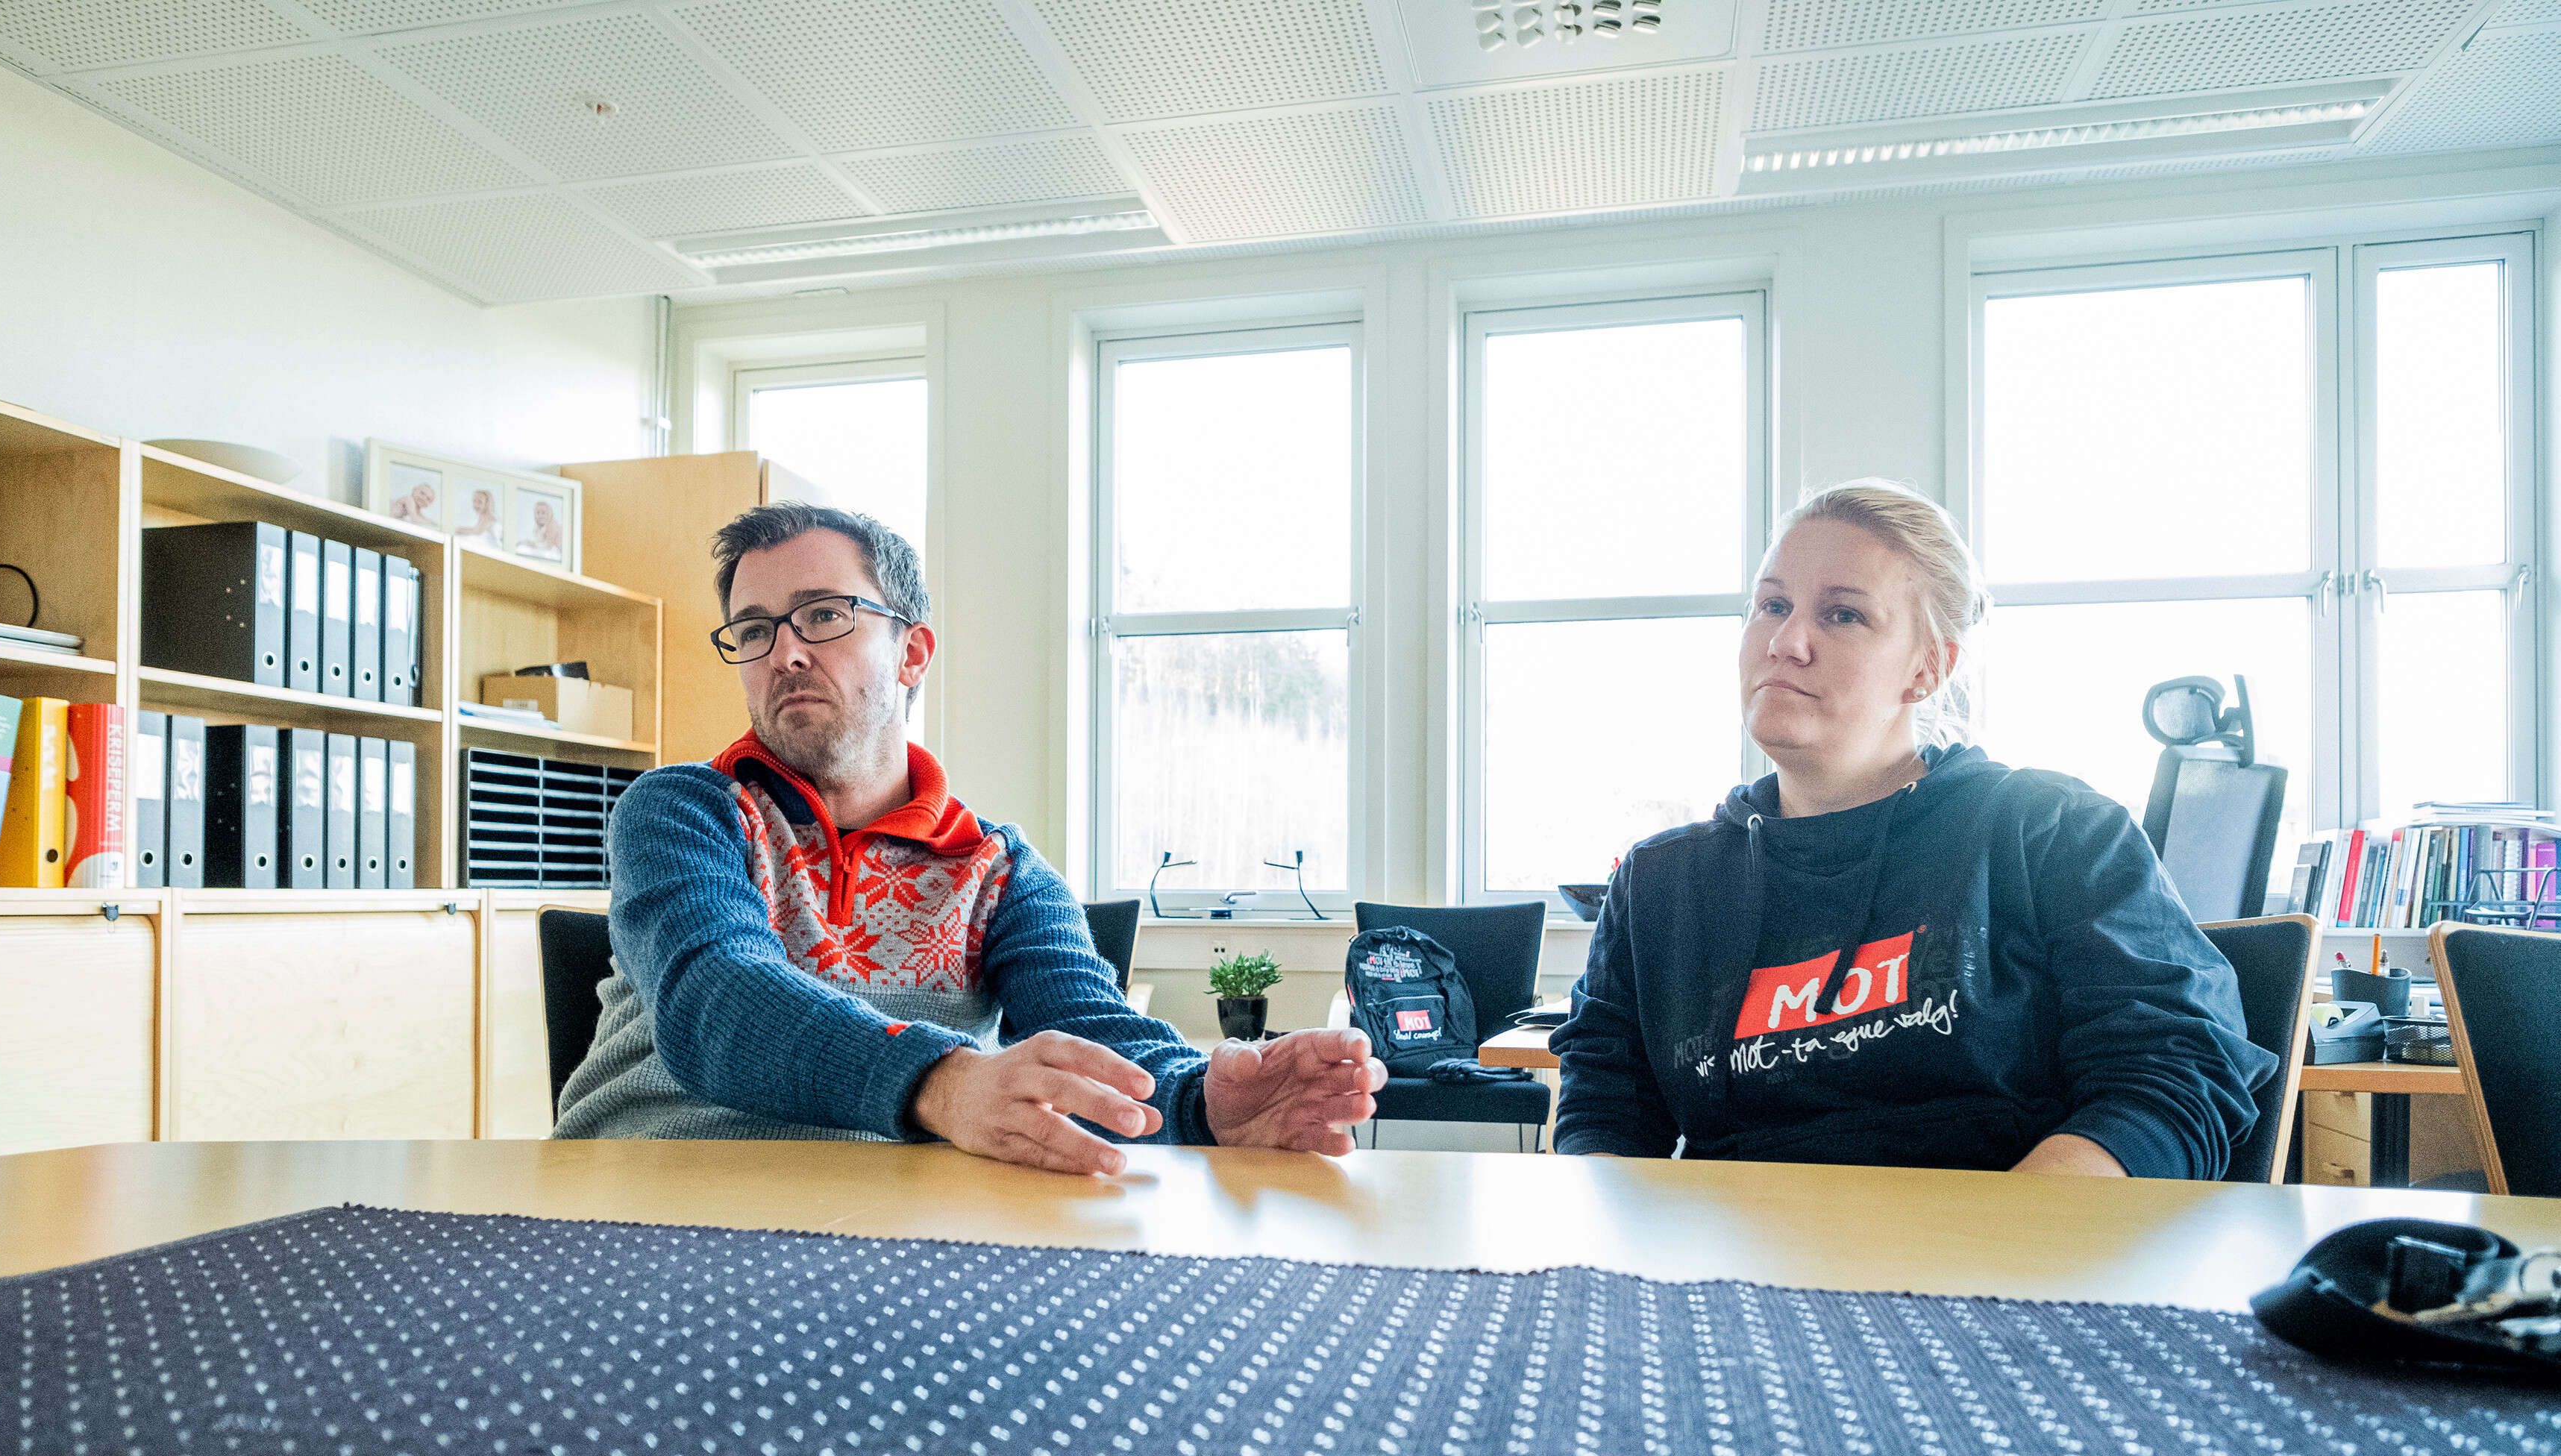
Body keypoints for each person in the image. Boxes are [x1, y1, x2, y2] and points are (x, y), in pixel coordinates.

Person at [555, 502, 1385, 1170]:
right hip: (645, 1197)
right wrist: (945, 1084)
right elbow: (718, 998)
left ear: (912, 653)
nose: (785, 654)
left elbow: (1092, 1031)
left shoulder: (999, 869)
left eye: (823, 615)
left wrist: (1204, 1103)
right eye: (754, 630)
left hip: (889, 1222)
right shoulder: (682, 809)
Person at [1551, 479, 2274, 1180]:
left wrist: (2014, 1233)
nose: (1788, 640)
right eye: (1772, 605)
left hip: (2003, 1244)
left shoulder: (2053, 832)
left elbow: (2175, 1072)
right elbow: (1606, 1113)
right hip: (1729, 1253)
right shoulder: (1660, 883)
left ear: (1928, 668)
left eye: (1843, 615)